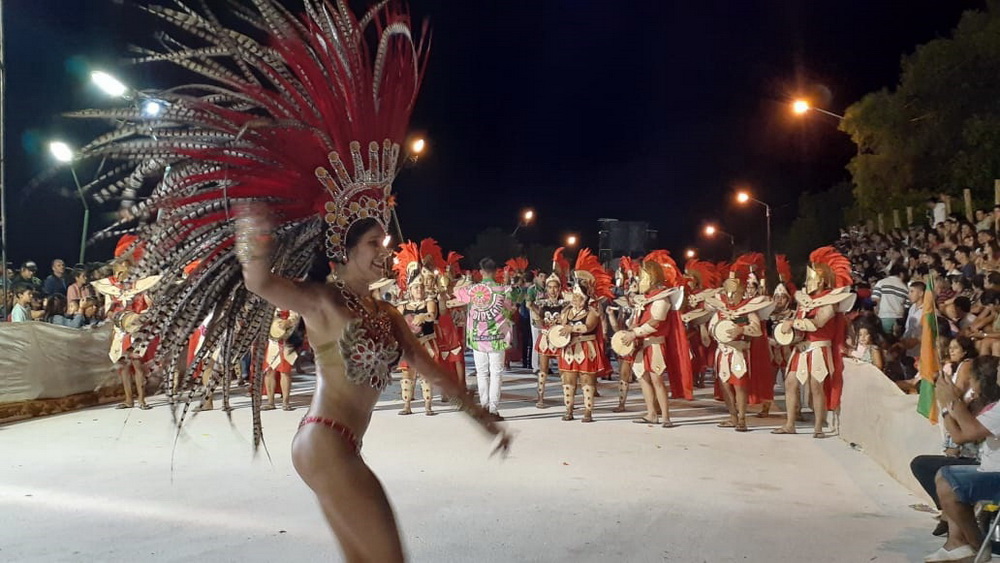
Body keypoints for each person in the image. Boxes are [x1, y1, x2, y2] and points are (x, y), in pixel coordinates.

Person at [772, 246, 855, 438]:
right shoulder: (804, 299)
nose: (809, 281)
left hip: (819, 347)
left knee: (816, 386)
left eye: (812, 277)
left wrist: (793, 322)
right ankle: (789, 423)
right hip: (801, 347)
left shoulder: (830, 300)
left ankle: (818, 427)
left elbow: (819, 323)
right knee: (790, 382)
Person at [926, 356, 1000, 561]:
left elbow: (967, 432)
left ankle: (975, 544)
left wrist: (950, 401)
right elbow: (961, 434)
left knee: (949, 482)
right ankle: (957, 542)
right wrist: (948, 404)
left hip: (995, 473)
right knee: (944, 474)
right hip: (989, 467)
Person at [616, 251, 687, 427]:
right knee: (643, 378)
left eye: (642, 277)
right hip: (641, 345)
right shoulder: (644, 299)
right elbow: (638, 320)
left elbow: (656, 323)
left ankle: (665, 417)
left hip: (654, 345)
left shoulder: (662, 298)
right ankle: (651, 413)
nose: (640, 281)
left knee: (657, 380)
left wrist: (634, 333)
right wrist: (630, 329)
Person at [706, 263, 772, 432]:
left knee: (739, 385)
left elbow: (756, 329)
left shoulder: (748, 309)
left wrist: (741, 328)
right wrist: (716, 331)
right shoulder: (720, 308)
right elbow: (712, 326)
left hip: (738, 352)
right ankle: (732, 416)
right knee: (725, 384)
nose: (730, 296)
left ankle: (742, 419)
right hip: (722, 352)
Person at [552, 249, 612, 422]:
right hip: (569, 349)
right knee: (568, 381)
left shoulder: (592, 310)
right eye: (574, 295)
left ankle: (587, 412)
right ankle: (568, 410)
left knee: (587, 381)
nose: (575, 298)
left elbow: (588, 326)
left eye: (579, 296)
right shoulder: (566, 311)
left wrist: (571, 329)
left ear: (585, 297)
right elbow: (561, 326)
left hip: (586, 349)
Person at [451, 257, 514, 420]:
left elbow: (455, 291)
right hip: (497, 338)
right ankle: (493, 409)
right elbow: (510, 309)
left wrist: (465, 281)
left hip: (478, 338)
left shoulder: (473, 290)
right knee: (496, 374)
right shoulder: (503, 289)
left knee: (481, 373)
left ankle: (484, 406)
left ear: (481, 272)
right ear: (495, 272)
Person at [393, 242, 439, 416]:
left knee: (425, 375)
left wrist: (423, 317)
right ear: (410, 290)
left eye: (420, 287)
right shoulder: (403, 305)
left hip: (425, 343)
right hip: (409, 344)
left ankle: (428, 406)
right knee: (407, 375)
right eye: (415, 288)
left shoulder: (429, 301)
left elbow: (432, 316)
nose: (419, 290)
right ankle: (407, 406)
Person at [528, 261, 567, 408]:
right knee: (543, 370)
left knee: (563, 370)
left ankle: (567, 399)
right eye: (550, 287)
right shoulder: (541, 303)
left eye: (555, 287)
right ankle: (540, 398)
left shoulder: (565, 303)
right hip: (545, 338)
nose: (552, 290)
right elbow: (537, 321)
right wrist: (540, 324)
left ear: (559, 288)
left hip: (560, 339)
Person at [871, 264, 909, 335]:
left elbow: (875, 299)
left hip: (884, 316)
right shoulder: (905, 288)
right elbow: (906, 306)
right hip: (899, 319)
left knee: (885, 341)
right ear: (901, 274)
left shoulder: (881, 283)